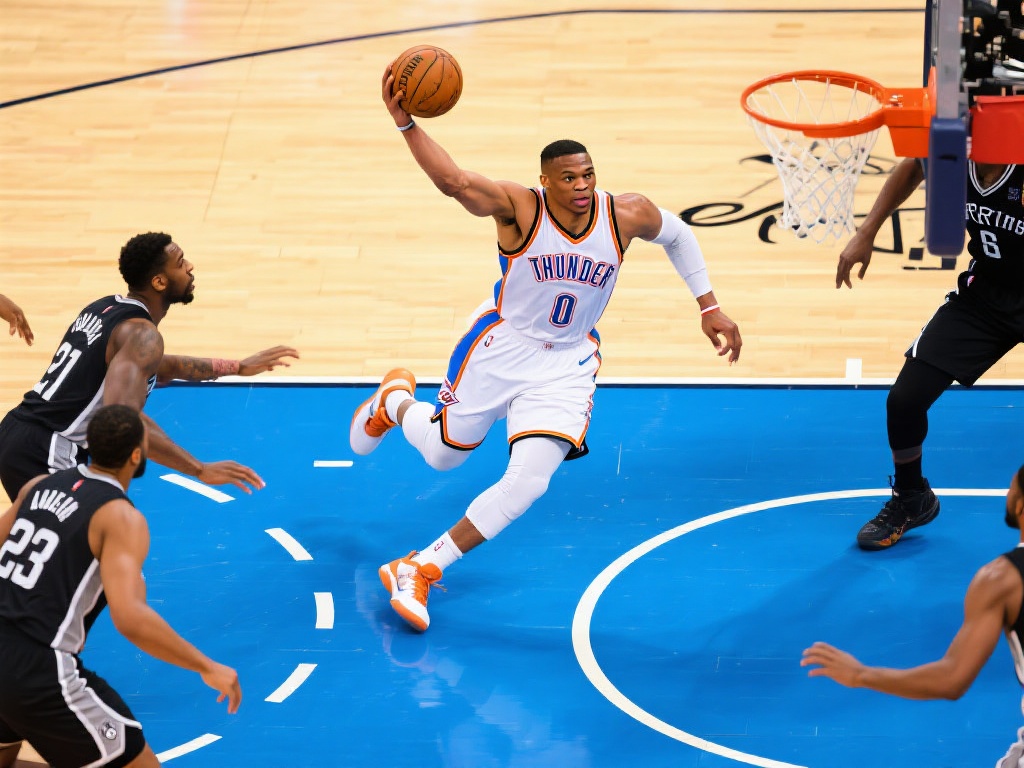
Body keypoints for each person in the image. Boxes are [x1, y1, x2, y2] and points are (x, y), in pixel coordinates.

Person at [352, 64, 742, 632]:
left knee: (530, 481)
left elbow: (678, 234)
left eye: (588, 175)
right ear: (546, 181)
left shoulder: (625, 213)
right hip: (501, 347)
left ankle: (420, 567)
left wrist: (709, 305)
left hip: (568, 362)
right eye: (569, 178)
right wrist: (406, 123)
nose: (582, 186)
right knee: (443, 456)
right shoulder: (519, 208)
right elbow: (455, 182)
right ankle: (395, 403)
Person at [0, 404, 241, 768]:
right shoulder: (120, 517)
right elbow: (131, 619)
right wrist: (206, 665)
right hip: (36, 669)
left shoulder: (37, 485)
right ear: (136, 455)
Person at [0, 232, 299, 502]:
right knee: (95, 538)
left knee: (52, 542)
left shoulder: (105, 307)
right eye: (180, 263)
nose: (190, 266)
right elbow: (122, 421)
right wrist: (199, 469)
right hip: (49, 449)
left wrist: (238, 366)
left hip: (18, 432)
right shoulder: (143, 335)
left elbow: (163, 367)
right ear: (159, 282)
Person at [835, 157, 1024, 550]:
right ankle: (912, 498)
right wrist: (866, 232)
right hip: (984, 296)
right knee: (904, 402)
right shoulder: (955, 146)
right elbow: (913, 166)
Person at [802, 463, 1024, 766]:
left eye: (1012, 489)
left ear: (1020, 505)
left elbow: (951, 680)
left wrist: (860, 674)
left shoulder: (1002, 580)